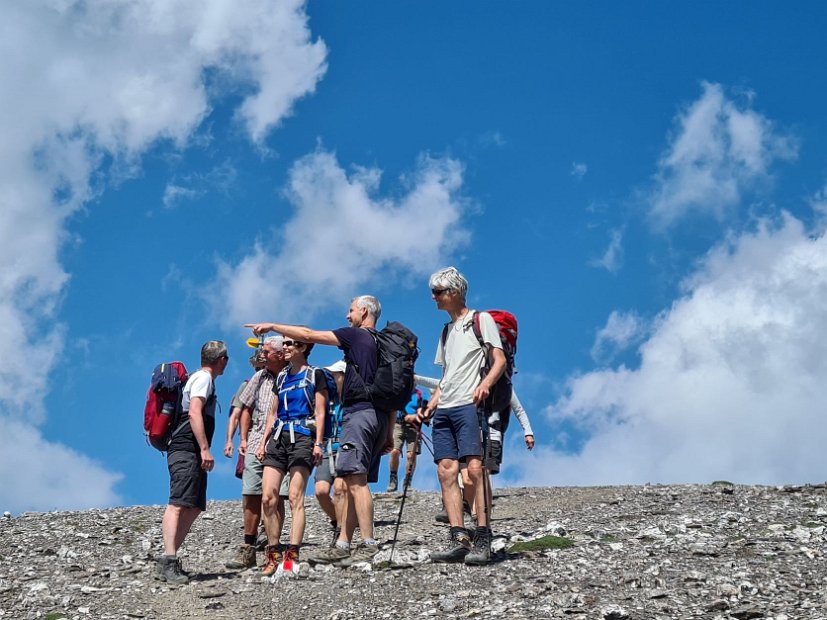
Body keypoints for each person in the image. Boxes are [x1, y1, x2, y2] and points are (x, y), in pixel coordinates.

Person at [246, 294, 394, 567]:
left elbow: (308, 333)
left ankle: (368, 542)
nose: (348, 316)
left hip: (359, 414)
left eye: (351, 311)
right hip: (379, 416)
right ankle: (343, 543)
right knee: (349, 480)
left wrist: (273, 326)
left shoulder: (357, 336)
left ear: (363, 311)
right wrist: (388, 432)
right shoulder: (382, 343)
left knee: (356, 480)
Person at [418, 267, 506, 566]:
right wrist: (431, 405)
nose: (434, 297)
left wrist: (485, 384)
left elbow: (499, 360)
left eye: (438, 292)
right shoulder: (445, 331)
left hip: (469, 404)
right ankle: (459, 537)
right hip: (446, 407)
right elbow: (447, 375)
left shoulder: (481, 321)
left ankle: (483, 536)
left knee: (474, 468)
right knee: (446, 470)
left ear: (454, 293)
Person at [155, 340, 228, 584]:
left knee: (194, 504)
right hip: (186, 446)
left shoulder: (199, 378)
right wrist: (205, 449)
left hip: (189, 449)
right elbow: (195, 411)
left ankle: (168, 557)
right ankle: (168, 559)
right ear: (221, 360)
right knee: (178, 502)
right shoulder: (203, 379)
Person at [416, 374, 535, 521]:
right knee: (471, 476)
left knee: (482, 474)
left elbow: (519, 410)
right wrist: (416, 379)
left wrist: (528, 432)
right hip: (474, 432)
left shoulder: (504, 386)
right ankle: (473, 511)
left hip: (493, 435)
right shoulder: (471, 380)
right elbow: (442, 383)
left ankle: (481, 516)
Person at [256, 336, 328, 574]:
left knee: (296, 496)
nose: (284, 347)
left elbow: (320, 412)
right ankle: (273, 553)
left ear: (303, 347)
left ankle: (292, 554)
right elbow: (273, 413)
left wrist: (318, 443)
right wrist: (263, 441)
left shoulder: (315, 375)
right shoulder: (281, 377)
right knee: (268, 497)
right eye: (284, 344)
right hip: (278, 437)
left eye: (289, 344)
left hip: (303, 437)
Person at [224, 337, 288, 570]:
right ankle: (249, 546)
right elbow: (244, 408)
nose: (262, 355)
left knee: (277, 495)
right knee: (250, 492)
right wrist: (241, 438)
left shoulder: (292, 374)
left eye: (267, 351)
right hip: (256, 440)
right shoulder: (259, 377)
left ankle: (275, 546)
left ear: (280, 354)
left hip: (282, 440)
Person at [314, 361, 347, 546]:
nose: (333, 378)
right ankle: (337, 520)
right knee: (321, 491)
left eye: (336, 375)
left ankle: (341, 531)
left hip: (345, 447)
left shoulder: (352, 400)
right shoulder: (327, 399)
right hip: (327, 447)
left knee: (341, 489)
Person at [386, 388, 428, 493]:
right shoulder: (398, 392)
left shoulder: (419, 395)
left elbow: (425, 414)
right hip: (398, 424)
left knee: (411, 455)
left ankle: (407, 481)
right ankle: (393, 478)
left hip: (413, 427)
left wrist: (414, 417)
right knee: (394, 451)